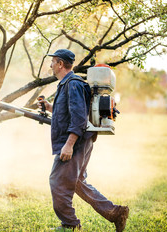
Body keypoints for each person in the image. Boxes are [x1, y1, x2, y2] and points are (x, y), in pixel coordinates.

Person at [38, 49, 129, 232]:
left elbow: (79, 118)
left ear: (61, 64)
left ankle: (70, 225)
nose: (51, 65)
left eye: (53, 62)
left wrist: (69, 145)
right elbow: (68, 113)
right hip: (81, 141)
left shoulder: (73, 84)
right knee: (77, 182)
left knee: (57, 181)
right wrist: (49, 107)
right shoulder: (67, 84)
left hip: (76, 143)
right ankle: (115, 213)